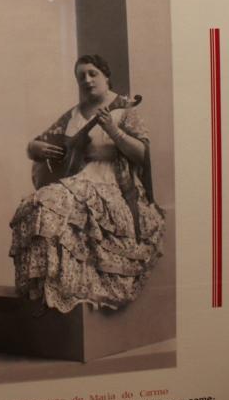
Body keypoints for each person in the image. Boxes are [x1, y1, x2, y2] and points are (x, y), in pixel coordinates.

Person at [10, 54, 165, 314]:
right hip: (79, 179)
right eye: (81, 76)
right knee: (34, 205)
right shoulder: (73, 114)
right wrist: (36, 148)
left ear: (106, 76)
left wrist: (114, 131)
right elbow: (36, 143)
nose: (87, 80)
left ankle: (80, 287)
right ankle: (52, 288)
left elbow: (143, 154)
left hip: (113, 183)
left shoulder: (124, 110)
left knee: (49, 203)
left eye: (93, 73)